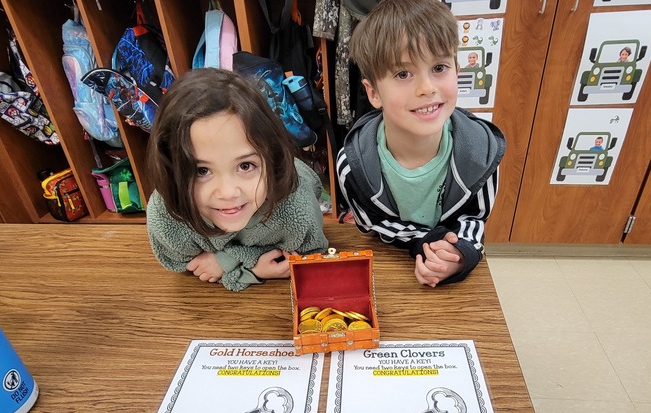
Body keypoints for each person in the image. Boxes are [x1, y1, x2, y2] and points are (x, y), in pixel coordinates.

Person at [337, 0, 506, 287]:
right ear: (373, 92)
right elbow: (370, 223)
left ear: (457, 69)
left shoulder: (481, 154)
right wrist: (427, 242)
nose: (427, 88)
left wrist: (459, 255)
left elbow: (474, 219)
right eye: (403, 74)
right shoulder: (353, 165)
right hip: (388, 270)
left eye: (439, 67)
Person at [145, 68, 328, 291]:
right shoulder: (167, 218)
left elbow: (309, 257)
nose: (228, 192)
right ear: (171, 171)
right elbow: (185, 265)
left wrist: (229, 262)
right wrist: (251, 267)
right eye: (202, 171)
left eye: (245, 165)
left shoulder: (296, 208)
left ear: (273, 160)